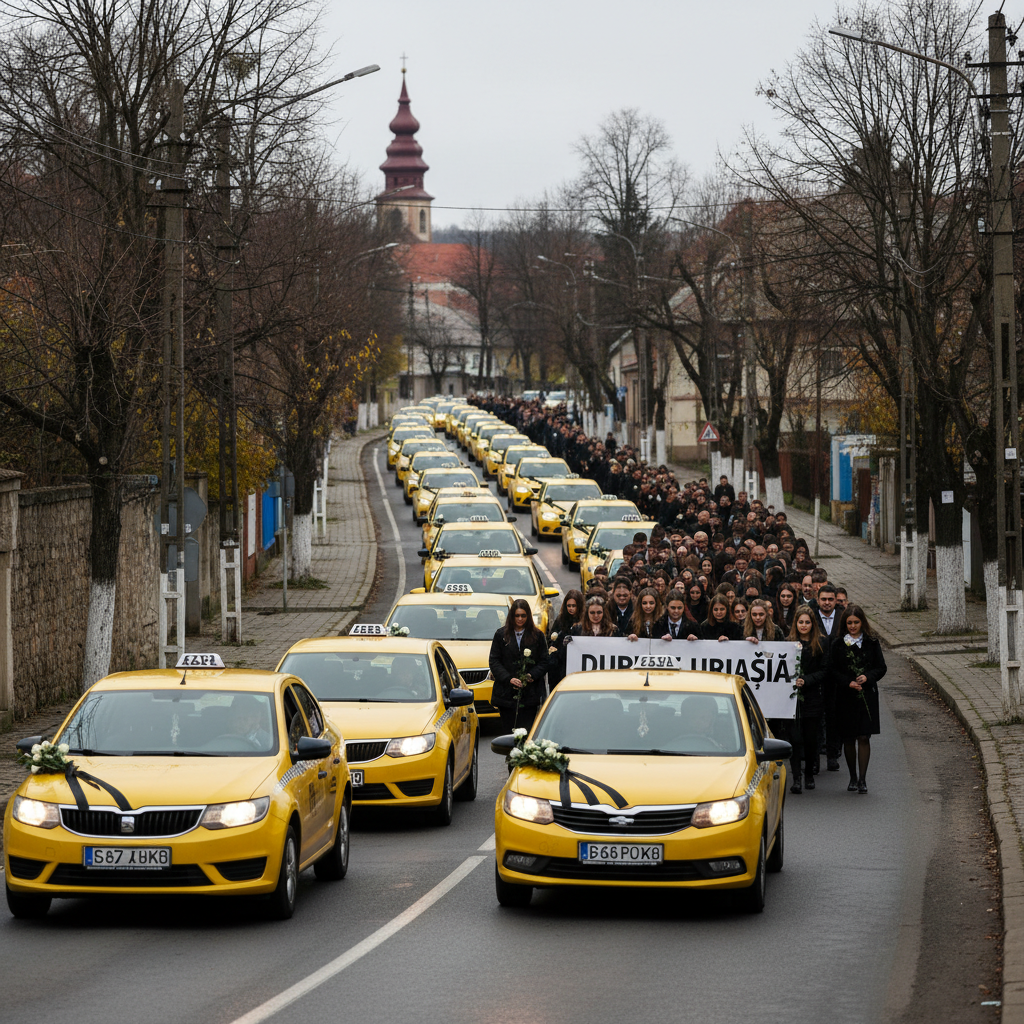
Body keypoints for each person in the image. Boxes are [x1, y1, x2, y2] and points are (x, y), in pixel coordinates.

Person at [830, 605, 887, 794]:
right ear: (845, 624)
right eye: (849, 623)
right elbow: (833, 670)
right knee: (848, 738)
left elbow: (881, 667)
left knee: (864, 736)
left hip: (866, 695)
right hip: (846, 697)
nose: (853, 626)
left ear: (862, 622)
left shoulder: (871, 642)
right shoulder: (838, 644)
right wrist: (848, 682)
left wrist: (867, 677)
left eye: (856, 622)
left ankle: (862, 779)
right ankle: (852, 777)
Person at [488, 600, 550, 733]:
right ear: (512, 616)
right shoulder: (501, 635)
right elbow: (494, 661)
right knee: (507, 732)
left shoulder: (537, 636)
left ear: (528, 616)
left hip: (529, 695)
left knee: (526, 732)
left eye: (523, 615)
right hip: (506, 695)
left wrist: (531, 675)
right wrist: (508, 678)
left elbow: (544, 661)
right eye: (517, 615)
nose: (520, 619)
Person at [788, 609, 829, 793]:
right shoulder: (788, 644)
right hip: (791, 699)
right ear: (795, 624)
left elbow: (824, 670)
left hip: (812, 697)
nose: (803, 625)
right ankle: (796, 778)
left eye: (807, 622)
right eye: (800, 622)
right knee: (795, 739)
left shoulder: (820, 643)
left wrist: (807, 680)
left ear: (812, 624)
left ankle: (809, 774)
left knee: (810, 739)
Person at [547, 589, 583, 688]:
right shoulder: (560, 620)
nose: (571, 609)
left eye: (574, 606)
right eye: (569, 606)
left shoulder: (584, 621)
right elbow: (551, 639)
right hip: (560, 664)